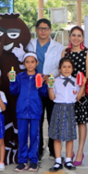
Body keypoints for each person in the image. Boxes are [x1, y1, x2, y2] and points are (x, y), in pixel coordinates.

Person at [26, 19, 63, 160]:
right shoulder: (29, 45)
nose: (43, 31)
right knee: (37, 120)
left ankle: (54, 148)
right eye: (40, 28)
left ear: (50, 30)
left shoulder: (58, 47)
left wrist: (49, 75)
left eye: (46, 28)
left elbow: (60, 65)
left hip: (51, 87)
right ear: (36, 30)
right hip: (34, 88)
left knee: (53, 119)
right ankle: (38, 148)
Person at [10, 53, 48, 172]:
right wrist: (12, 80)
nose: (30, 64)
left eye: (32, 62)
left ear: (37, 63)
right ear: (24, 64)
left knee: (34, 136)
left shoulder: (40, 76)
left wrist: (41, 84)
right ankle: (22, 161)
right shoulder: (20, 77)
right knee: (22, 136)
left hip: (35, 110)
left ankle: (33, 160)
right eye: (27, 62)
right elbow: (14, 91)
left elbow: (44, 94)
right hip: (21, 110)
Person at [61, 26, 88, 166]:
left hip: (81, 92)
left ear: (82, 37)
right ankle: (70, 151)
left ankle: (80, 151)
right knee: (69, 123)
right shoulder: (65, 52)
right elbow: (62, 73)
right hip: (67, 93)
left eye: (79, 35)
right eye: (73, 35)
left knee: (81, 122)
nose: (76, 38)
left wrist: (81, 92)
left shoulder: (87, 52)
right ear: (69, 37)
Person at [47, 57, 81, 172]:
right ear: (60, 68)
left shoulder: (76, 81)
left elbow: (78, 97)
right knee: (57, 136)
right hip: (58, 108)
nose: (66, 69)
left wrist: (83, 85)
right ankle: (57, 160)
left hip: (70, 108)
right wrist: (50, 87)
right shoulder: (55, 81)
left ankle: (68, 159)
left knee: (69, 136)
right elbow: (52, 98)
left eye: (69, 67)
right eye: (64, 67)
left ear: (73, 68)